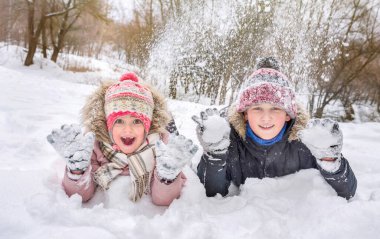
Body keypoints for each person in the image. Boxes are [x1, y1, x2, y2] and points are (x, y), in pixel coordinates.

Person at [192, 57, 357, 199]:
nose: (266, 117)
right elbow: (211, 193)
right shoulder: (229, 140)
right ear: (245, 114)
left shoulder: (306, 141)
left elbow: (346, 193)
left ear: (288, 114)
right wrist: (215, 155)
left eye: (275, 108)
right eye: (257, 108)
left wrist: (329, 160)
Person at [47, 72, 197, 206]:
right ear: (108, 125)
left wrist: (167, 177)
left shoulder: (160, 147)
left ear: (147, 126)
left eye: (137, 121)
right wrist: (77, 171)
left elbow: (163, 200)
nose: (127, 129)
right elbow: (80, 196)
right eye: (119, 121)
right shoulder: (96, 146)